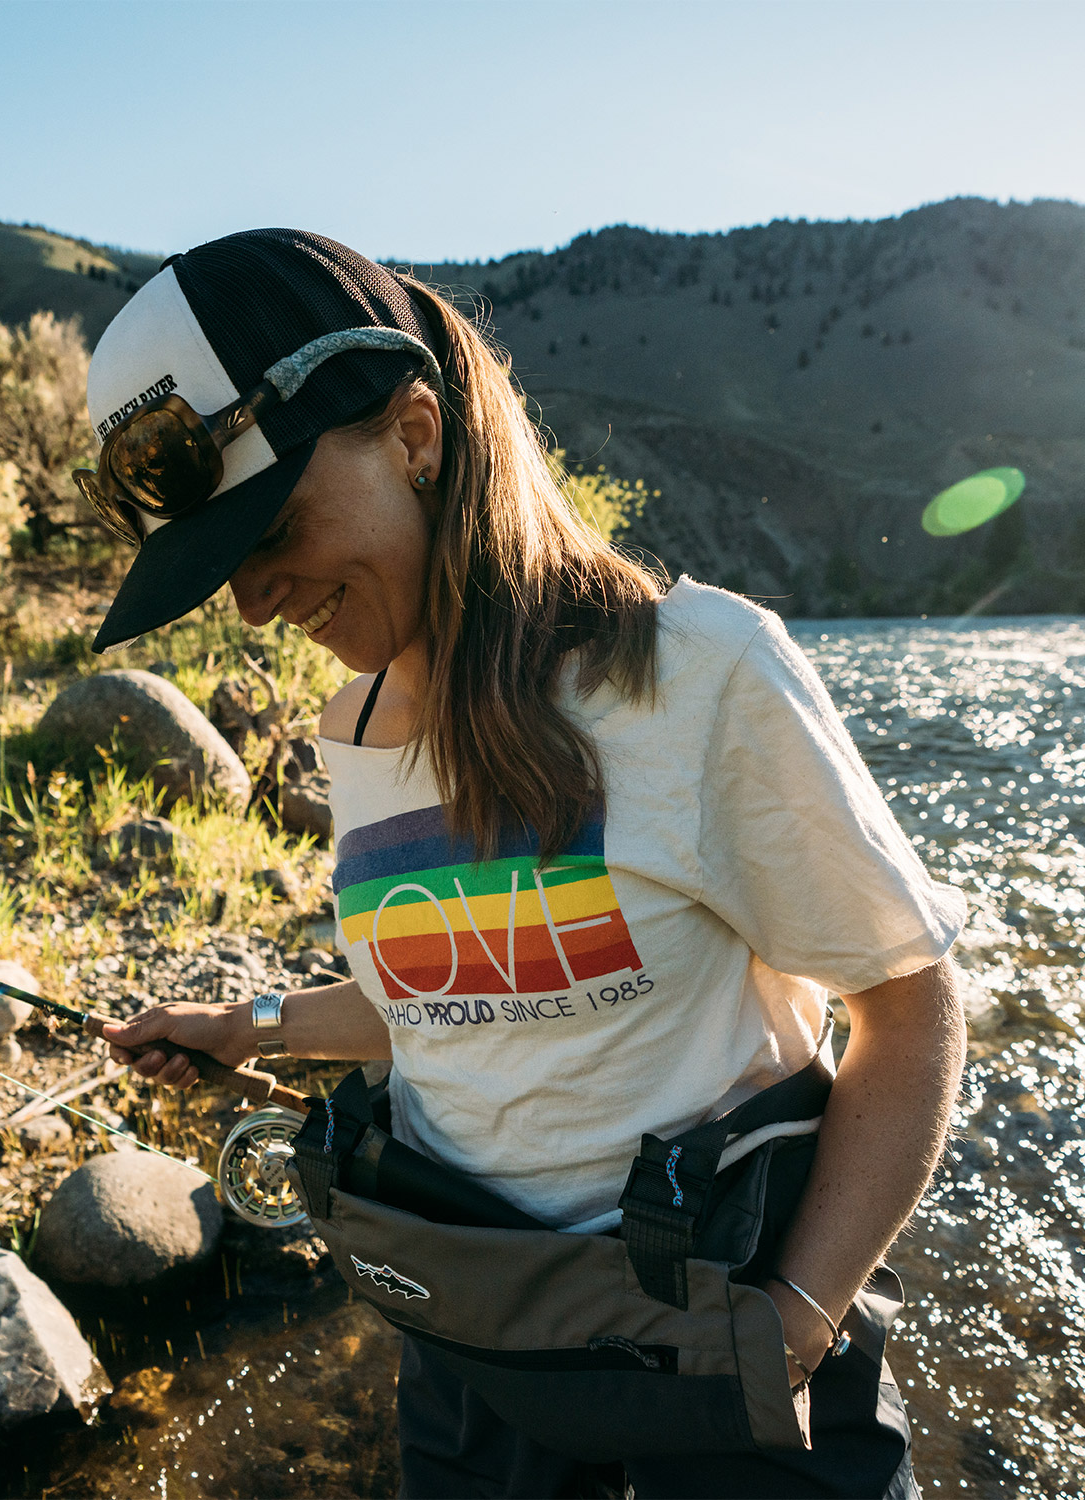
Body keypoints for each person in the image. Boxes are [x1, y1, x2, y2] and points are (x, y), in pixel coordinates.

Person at [84, 228, 967, 1499]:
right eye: (220, 567)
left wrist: (798, 1320)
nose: (255, 602)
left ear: (416, 434)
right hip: (476, 1347)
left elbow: (912, 1002)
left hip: (725, 1336)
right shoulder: (354, 730)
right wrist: (252, 1024)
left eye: (270, 527)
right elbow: (452, 1000)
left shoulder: (698, 672)